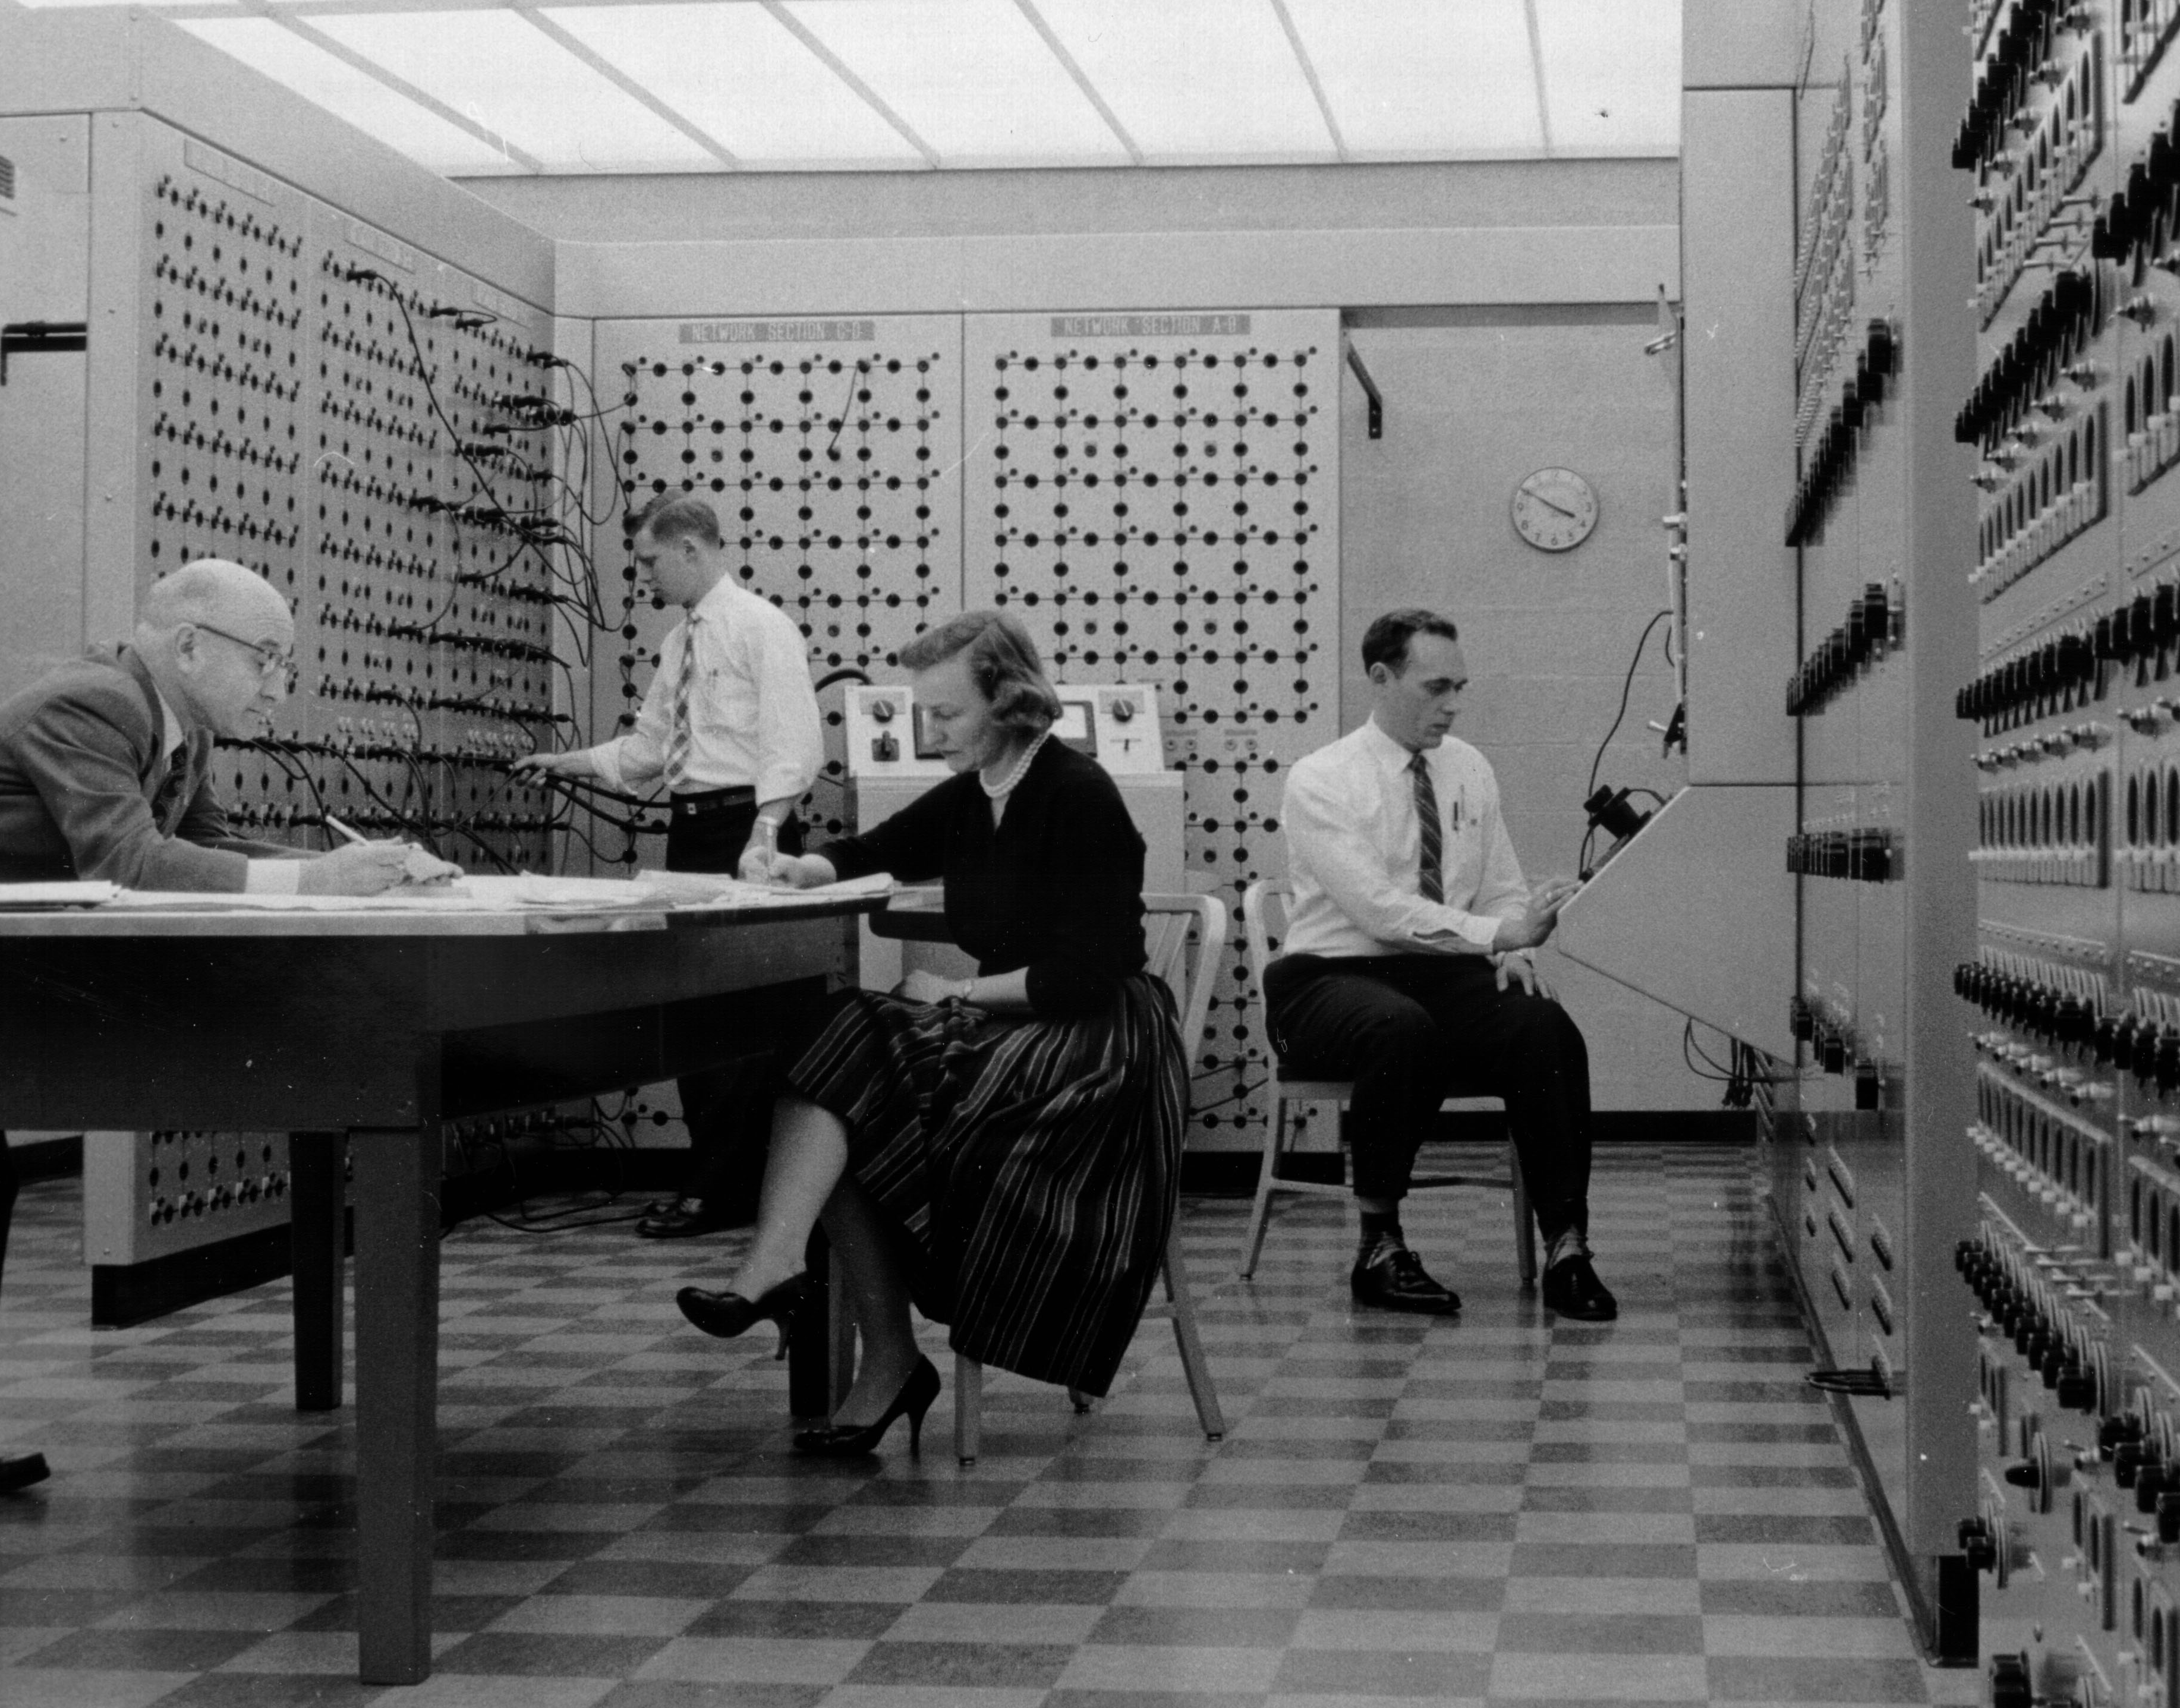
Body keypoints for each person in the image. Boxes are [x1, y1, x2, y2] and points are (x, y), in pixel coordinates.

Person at [0, 557, 452, 1515]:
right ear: (190, 646)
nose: (278, 684)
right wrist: (323, 885)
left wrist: (376, 869)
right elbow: (133, 862)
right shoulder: (97, 702)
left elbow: (214, 852)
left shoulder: (175, 732)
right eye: (267, 659)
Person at [676, 609, 1185, 1455]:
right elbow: (874, 849)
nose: (928, 731)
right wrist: (797, 865)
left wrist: (956, 995)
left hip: (1094, 1046)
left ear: (1008, 703)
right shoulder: (974, 791)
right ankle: (816, 1300)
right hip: (1012, 1026)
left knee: (846, 1063)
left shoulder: (1075, 793)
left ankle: (831, 1315)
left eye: (944, 715)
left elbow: (1084, 975)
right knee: (838, 1063)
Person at [1268, 606, 1615, 1325]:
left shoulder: (1468, 768)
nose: (1452, 705)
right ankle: (1378, 1245)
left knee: (1543, 1028)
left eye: (1459, 686)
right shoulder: (1320, 778)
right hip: (1329, 978)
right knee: (1399, 1030)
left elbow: (1499, 884)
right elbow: (1378, 911)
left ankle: (1567, 1247)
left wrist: (1516, 947)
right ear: (1379, 678)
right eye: (1434, 688)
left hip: (1440, 975)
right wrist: (1498, 931)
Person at [517, 493, 824, 1240]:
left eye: (651, 559)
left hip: (748, 833)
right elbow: (651, 748)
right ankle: (720, 1183)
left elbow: (794, 743)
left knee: (742, 1019)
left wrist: (767, 834)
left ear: (692, 548)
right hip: (693, 833)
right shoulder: (680, 644)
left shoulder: (761, 627)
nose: (644, 575)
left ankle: (722, 1190)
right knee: (698, 1017)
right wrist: (570, 763)